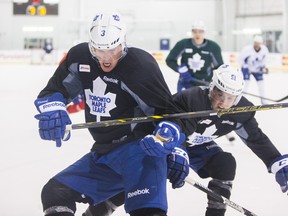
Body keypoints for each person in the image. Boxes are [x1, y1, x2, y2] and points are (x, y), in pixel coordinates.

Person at [34, 10, 188, 216]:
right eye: (99, 51)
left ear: (123, 44)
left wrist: (176, 147)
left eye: (113, 50)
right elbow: (53, 90)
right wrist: (53, 109)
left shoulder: (141, 65)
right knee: (55, 193)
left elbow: (169, 114)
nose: (106, 59)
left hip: (140, 151)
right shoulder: (79, 58)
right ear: (91, 46)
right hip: (103, 153)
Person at [85, 64, 288, 216]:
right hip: (167, 140)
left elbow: (256, 138)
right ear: (211, 86)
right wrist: (175, 150)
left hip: (198, 146)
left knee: (226, 163)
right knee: (142, 180)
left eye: (229, 98)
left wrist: (276, 161)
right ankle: (98, 210)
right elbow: (174, 127)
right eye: (218, 93)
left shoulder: (242, 111)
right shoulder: (190, 99)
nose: (221, 103)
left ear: (237, 98)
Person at [165, 20, 223, 93]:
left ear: (204, 32)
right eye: (195, 31)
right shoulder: (183, 44)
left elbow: (219, 67)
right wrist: (180, 69)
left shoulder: (213, 47)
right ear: (192, 32)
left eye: (200, 31)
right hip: (185, 82)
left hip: (205, 84)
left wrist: (210, 76)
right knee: (182, 103)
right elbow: (170, 60)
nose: (197, 34)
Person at [239, 35, 270, 104]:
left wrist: (265, 67)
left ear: (261, 44)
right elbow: (240, 58)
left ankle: (263, 100)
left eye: (258, 43)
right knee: (245, 84)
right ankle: (240, 101)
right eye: (255, 42)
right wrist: (244, 66)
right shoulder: (247, 49)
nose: (256, 44)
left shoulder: (264, 50)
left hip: (257, 69)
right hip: (247, 68)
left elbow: (266, 60)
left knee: (261, 85)